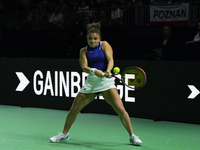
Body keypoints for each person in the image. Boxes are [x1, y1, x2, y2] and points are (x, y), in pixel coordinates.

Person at [50, 22, 142, 146]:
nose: (92, 41)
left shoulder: (104, 45)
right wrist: (94, 71)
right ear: (87, 38)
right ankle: (64, 134)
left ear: (99, 38)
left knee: (120, 109)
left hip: (106, 82)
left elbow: (110, 60)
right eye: (90, 39)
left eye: (95, 39)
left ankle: (132, 136)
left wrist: (108, 70)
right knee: (74, 110)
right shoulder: (83, 50)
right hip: (92, 82)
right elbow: (84, 67)